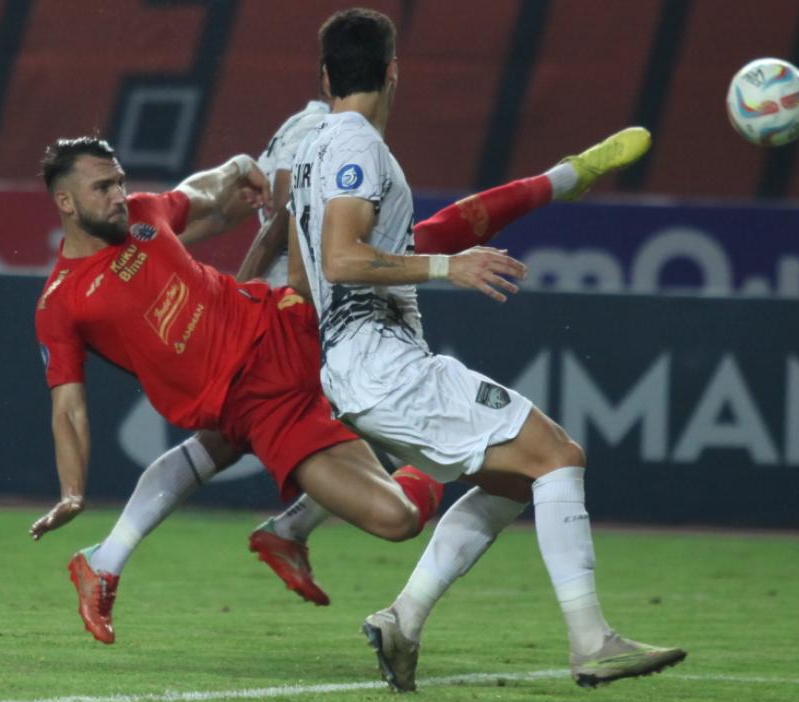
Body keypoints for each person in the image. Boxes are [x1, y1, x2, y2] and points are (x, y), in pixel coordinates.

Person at [66, 102, 657, 608]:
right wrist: (252, 283)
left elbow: (244, 200)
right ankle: (561, 179)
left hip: (302, 306)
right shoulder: (324, 129)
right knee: (414, 306)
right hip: (304, 306)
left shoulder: (326, 130)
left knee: (241, 443)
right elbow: (282, 214)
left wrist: (242, 194)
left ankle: (178, 548)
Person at [285, 8, 685, 691]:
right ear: (392, 71)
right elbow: (344, 259)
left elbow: (303, 277)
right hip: (379, 360)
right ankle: (592, 641)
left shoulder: (308, 152)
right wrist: (451, 268)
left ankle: (402, 620)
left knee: (513, 480)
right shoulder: (356, 146)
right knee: (558, 456)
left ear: (325, 76)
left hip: (355, 365)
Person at [29, 136, 485, 644]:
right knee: (401, 518)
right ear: (65, 202)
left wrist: (239, 166)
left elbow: (197, 192)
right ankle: (445, 457)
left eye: (119, 181)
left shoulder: (142, 214)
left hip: (282, 322)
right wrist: (72, 492)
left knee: (347, 249)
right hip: (260, 407)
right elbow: (68, 409)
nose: (117, 193)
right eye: (101, 187)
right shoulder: (60, 304)